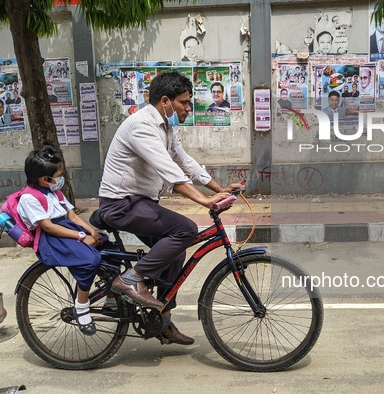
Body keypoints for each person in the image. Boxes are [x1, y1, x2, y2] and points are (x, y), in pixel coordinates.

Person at [98, 71, 243, 345]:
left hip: (139, 203)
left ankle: (162, 321)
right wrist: (203, 201)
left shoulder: (165, 127)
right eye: (184, 102)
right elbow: (169, 171)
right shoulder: (141, 126)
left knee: (175, 254)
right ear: (165, 101)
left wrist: (219, 189)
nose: (189, 108)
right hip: (120, 205)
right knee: (185, 229)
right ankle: (130, 279)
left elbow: (186, 163)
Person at [18, 144, 104, 335]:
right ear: (44, 178)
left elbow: (72, 217)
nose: (61, 180)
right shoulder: (29, 198)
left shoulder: (55, 192)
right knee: (91, 260)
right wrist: (81, 237)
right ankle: (82, 307)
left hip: (67, 229)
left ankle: (112, 294)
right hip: (52, 238)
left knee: (105, 246)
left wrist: (91, 232)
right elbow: (48, 226)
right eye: (58, 177)